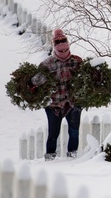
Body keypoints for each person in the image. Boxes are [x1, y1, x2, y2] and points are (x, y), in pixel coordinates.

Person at [34, 29, 83, 160]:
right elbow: (38, 83)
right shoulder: (46, 64)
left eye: (65, 49)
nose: (63, 52)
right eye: (60, 49)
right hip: (53, 105)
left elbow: (84, 80)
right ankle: (50, 156)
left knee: (74, 132)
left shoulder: (77, 61)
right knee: (53, 133)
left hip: (72, 103)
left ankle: (72, 155)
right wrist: (39, 80)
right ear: (54, 47)